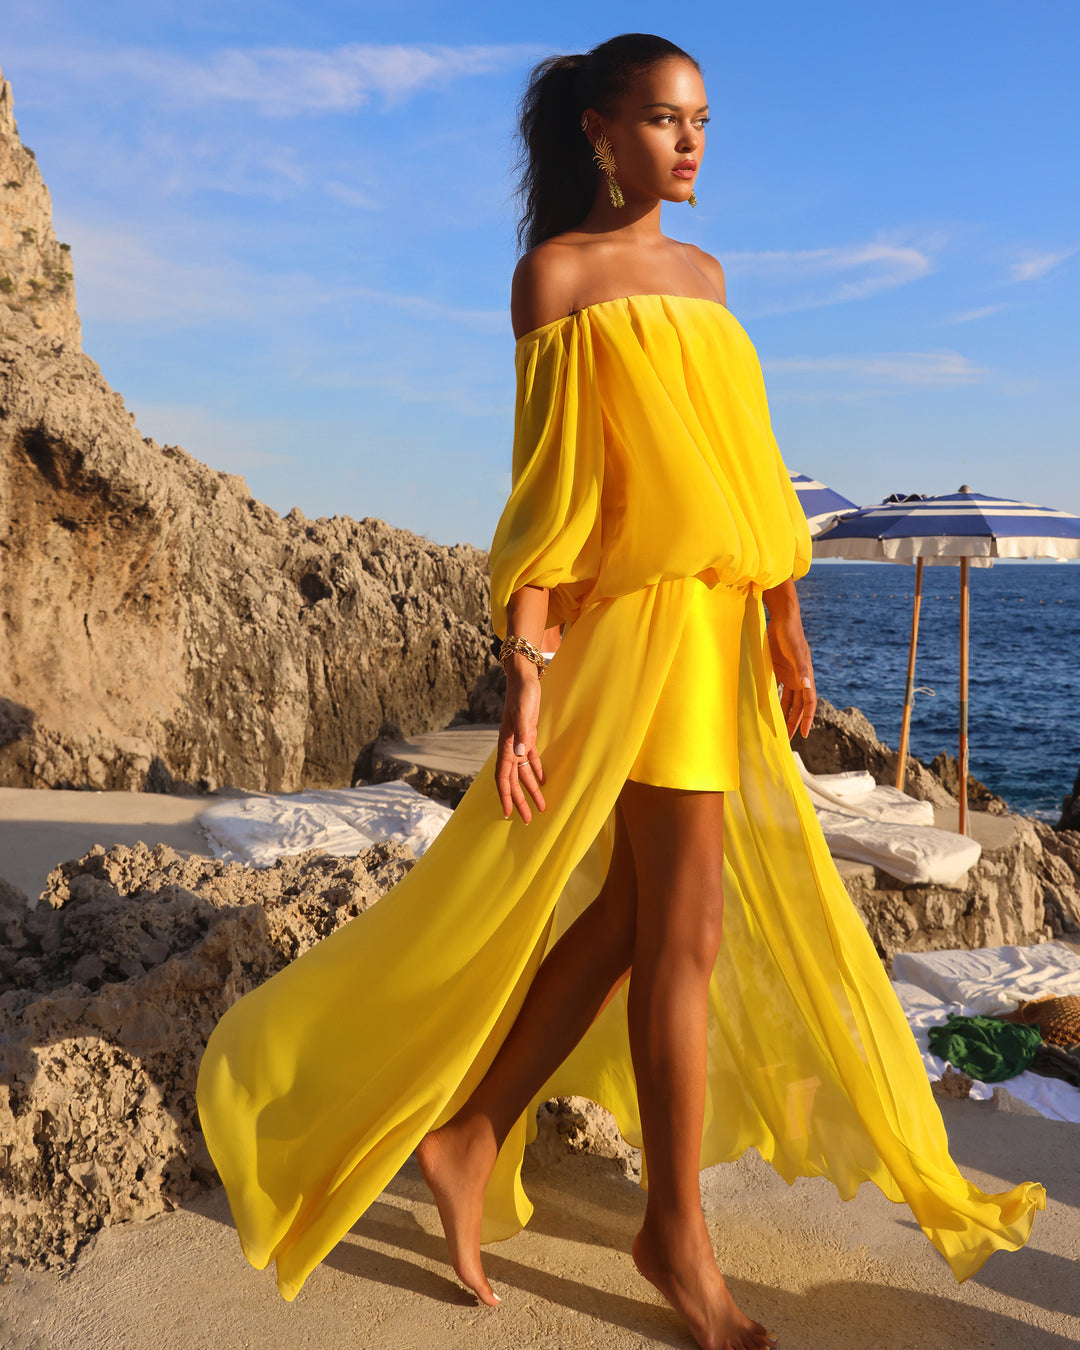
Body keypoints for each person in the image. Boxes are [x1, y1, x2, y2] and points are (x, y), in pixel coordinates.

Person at [195, 33, 1045, 1350]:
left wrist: (784, 610)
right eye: (664, 119)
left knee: (643, 920)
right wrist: (525, 678)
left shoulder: (707, 278)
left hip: (719, 629)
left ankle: (473, 1132)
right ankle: (672, 1236)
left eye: (703, 120)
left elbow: (747, 468)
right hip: (633, 639)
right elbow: (551, 498)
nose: (691, 142)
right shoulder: (558, 280)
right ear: (603, 132)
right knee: (684, 931)